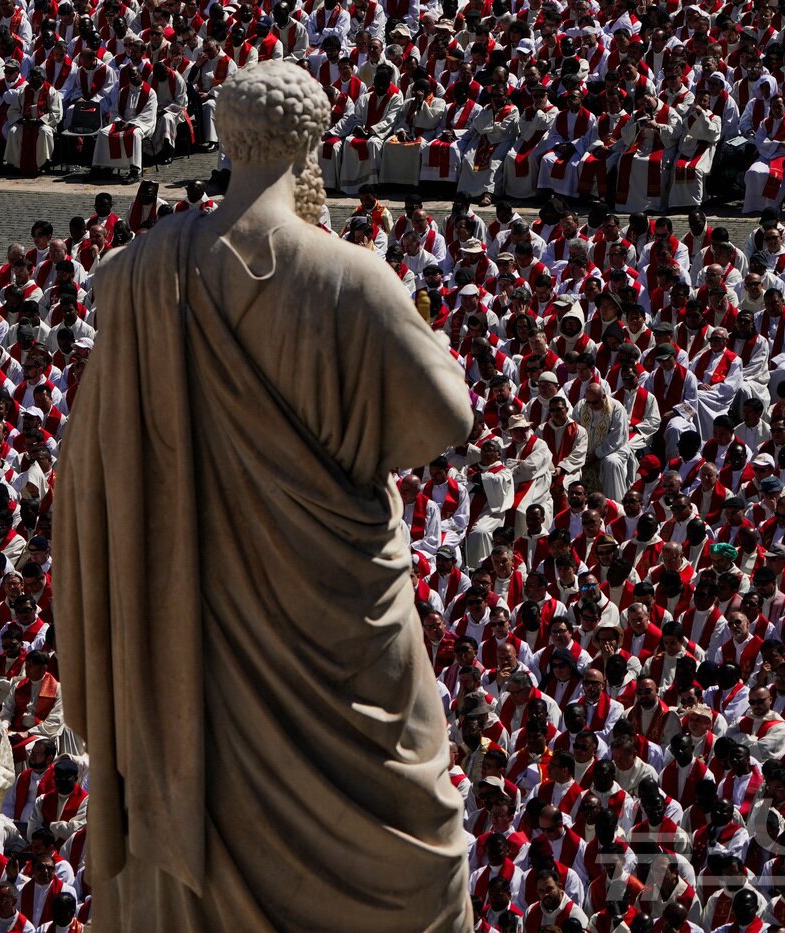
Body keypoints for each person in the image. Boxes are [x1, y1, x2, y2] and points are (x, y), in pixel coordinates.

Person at [54, 60, 472, 930]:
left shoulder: (137, 277)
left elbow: (87, 479)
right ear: (312, 144)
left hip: (189, 639)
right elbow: (444, 415)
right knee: (423, 868)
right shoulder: (351, 281)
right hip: (338, 629)